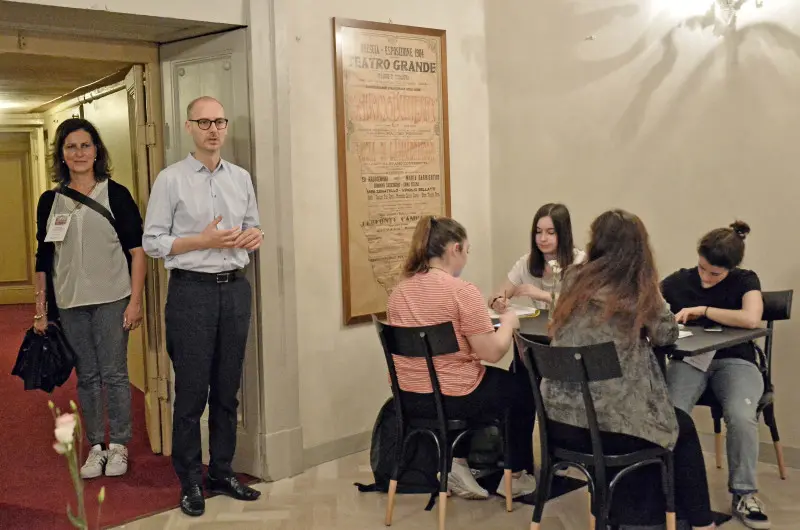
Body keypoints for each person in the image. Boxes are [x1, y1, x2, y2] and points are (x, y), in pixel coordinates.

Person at [542, 209, 716, 530]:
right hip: (614, 430)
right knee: (681, 427)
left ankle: (624, 512)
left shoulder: (570, 278)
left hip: (562, 423)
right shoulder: (638, 289)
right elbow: (667, 334)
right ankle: (700, 523)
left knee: (659, 420)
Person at [143, 96, 263, 517]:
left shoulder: (241, 178)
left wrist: (253, 236)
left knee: (227, 390)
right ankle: (190, 480)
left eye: (220, 122)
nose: (214, 130)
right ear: (189, 127)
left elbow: (251, 226)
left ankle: (222, 471)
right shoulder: (170, 180)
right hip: (191, 292)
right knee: (191, 392)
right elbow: (152, 242)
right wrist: (201, 241)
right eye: (205, 122)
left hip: (234, 290)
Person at [387, 215, 537, 501]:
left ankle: (459, 463)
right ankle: (515, 476)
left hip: (409, 396)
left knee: (478, 380)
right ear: (454, 248)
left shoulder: (399, 291)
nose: (466, 258)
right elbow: (492, 352)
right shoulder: (461, 292)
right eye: (467, 251)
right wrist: (508, 323)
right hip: (455, 395)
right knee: (522, 388)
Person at [34, 118, 145, 479]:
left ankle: (120, 446)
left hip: (113, 297)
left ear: (97, 151)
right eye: (71, 147)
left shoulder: (116, 194)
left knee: (114, 374)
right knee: (87, 377)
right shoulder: (50, 201)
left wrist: (136, 301)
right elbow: (43, 258)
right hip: (69, 302)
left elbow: (138, 252)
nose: (79, 153)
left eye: (85, 145)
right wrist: (40, 309)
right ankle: (96, 446)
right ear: (62, 155)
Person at [663, 222, 769, 529]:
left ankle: (744, 494)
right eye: (703, 269)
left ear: (731, 269)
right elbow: (648, 303)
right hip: (690, 360)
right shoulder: (680, 281)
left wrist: (704, 310)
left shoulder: (745, 280)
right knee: (670, 413)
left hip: (736, 361)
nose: (706, 278)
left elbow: (751, 318)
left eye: (715, 274)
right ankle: (668, 491)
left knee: (740, 414)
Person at [490, 203, 585, 313]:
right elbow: (497, 295)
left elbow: (582, 305)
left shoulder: (581, 262)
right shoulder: (526, 262)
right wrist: (497, 301)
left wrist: (543, 295)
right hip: (539, 329)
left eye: (550, 232)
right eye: (538, 232)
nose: (542, 238)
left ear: (564, 234)